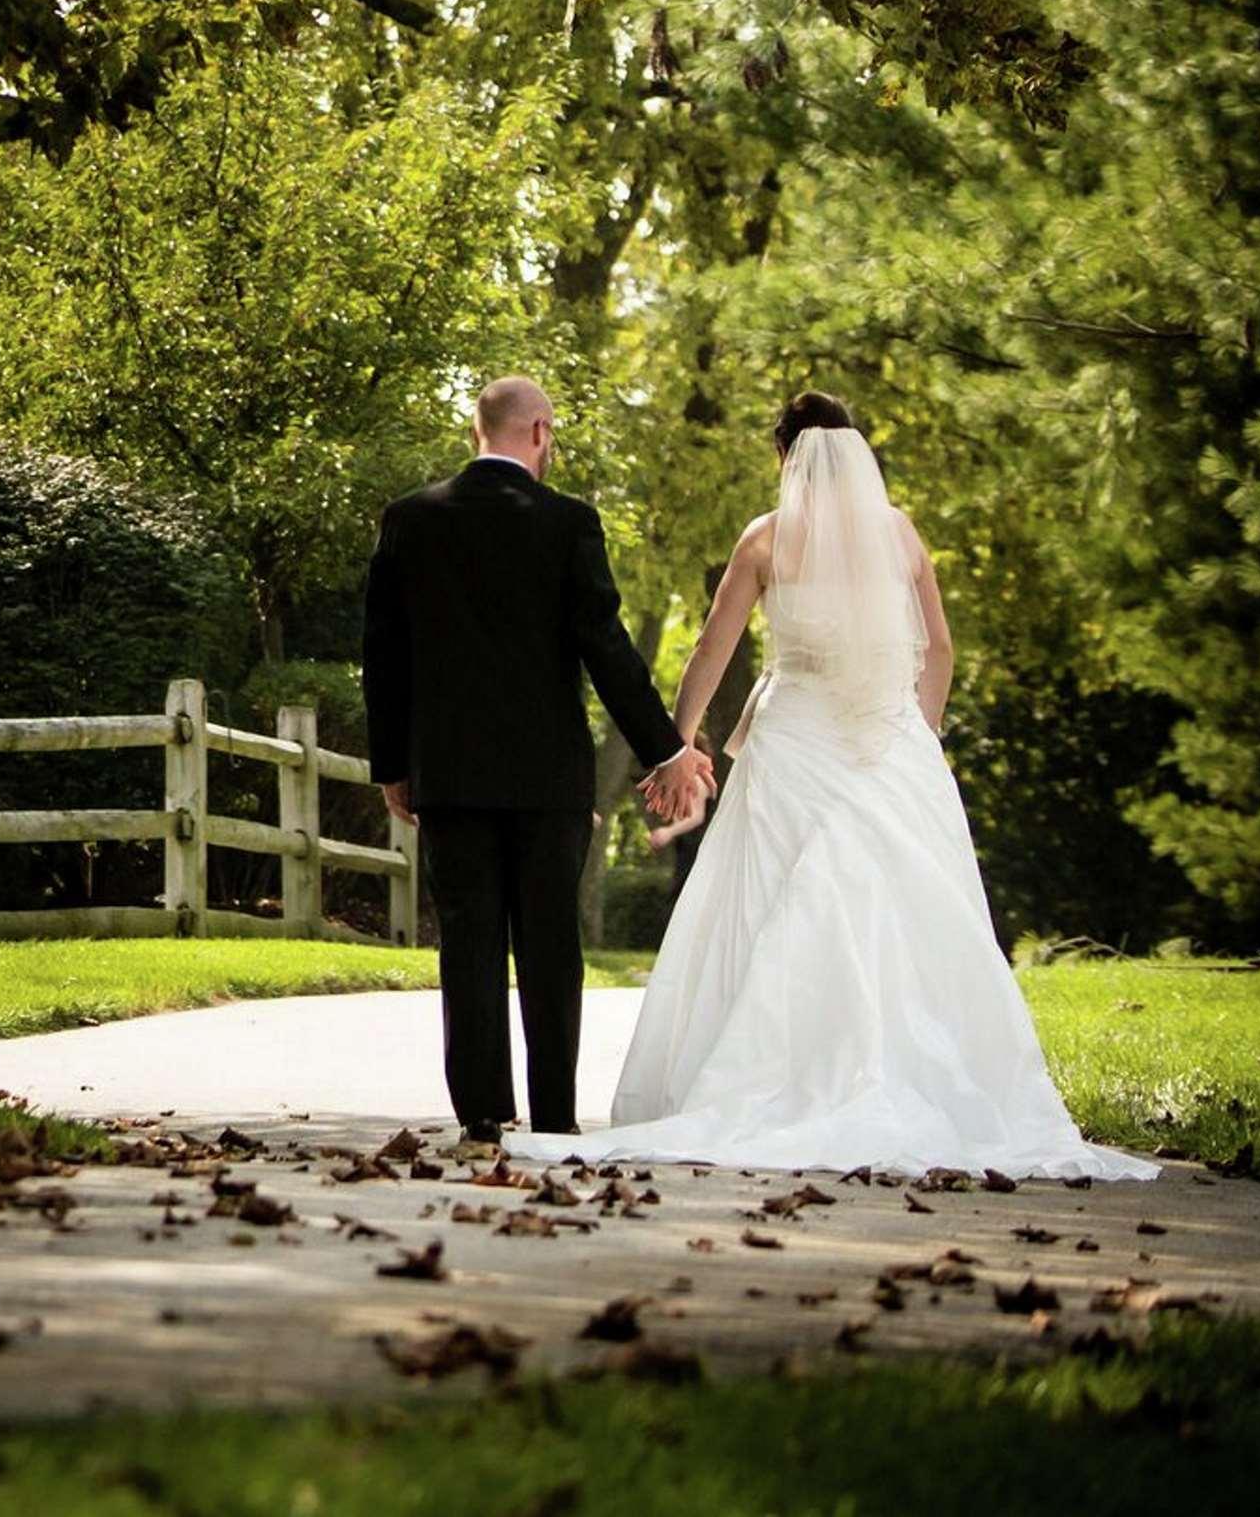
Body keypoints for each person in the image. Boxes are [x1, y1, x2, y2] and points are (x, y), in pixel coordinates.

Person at [508, 393, 1156, 1180]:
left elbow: (708, 655)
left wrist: (672, 748)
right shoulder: (900, 534)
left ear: (785, 453)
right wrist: (914, 732)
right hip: (888, 746)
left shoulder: (767, 538)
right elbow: (940, 650)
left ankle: (762, 1076)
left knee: (761, 905)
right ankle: (919, 1081)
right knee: (901, 915)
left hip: (793, 743)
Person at [362, 376, 711, 1151]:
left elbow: (382, 656)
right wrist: (667, 747)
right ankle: (553, 1112)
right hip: (547, 774)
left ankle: (482, 1114)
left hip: (448, 771)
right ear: (541, 432)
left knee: (468, 936)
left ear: (474, 429)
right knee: (550, 941)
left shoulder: (410, 520)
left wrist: (393, 763)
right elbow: (605, 649)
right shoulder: (567, 524)